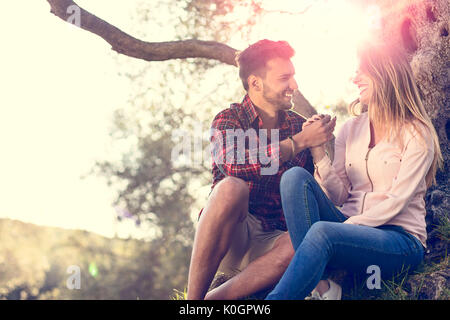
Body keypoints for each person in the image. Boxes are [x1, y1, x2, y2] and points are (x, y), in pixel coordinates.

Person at [265, 44, 443, 300]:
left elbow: (397, 201)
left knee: (323, 232)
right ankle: (323, 288)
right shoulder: (351, 129)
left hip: (399, 240)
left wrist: (343, 228)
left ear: (385, 73)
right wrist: (318, 152)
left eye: (362, 72)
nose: (354, 78)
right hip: (349, 231)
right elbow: (339, 196)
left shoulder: (417, 132)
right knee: (294, 178)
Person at [186, 39, 336, 300]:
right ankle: (193, 302)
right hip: (233, 236)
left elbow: (320, 194)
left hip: (274, 243)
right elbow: (235, 164)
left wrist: (319, 149)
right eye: (284, 78)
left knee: (304, 242)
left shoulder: (299, 125)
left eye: (294, 77)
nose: (294, 85)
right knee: (230, 188)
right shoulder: (229, 119)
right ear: (255, 83)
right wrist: (298, 142)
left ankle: (215, 300)